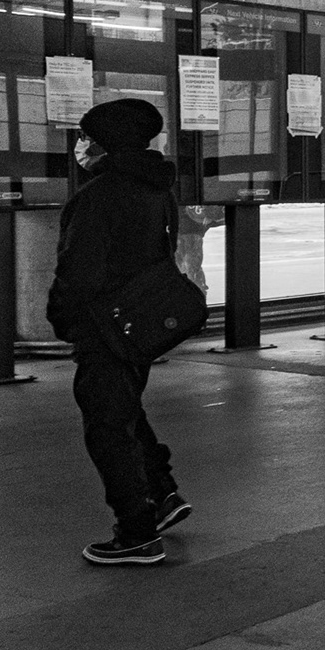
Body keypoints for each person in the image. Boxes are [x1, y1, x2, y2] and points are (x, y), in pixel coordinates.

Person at [46, 98, 189, 566]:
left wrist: (62, 319)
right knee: (125, 410)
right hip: (139, 324)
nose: (81, 146)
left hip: (103, 327)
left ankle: (136, 534)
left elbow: (78, 272)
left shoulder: (99, 196)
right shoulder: (156, 189)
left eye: (87, 137)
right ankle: (162, 494)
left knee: (108, 428)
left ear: (108, 142)